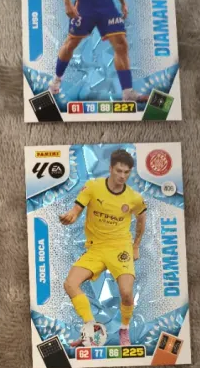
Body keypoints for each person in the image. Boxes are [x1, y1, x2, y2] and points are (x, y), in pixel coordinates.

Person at [59, 148, 147, 347]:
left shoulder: (134, 198)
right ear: (110, 169)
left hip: (120, 248)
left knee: (126, 293)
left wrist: (136, 245)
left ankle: (124, 329)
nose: (122, 176)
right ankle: (91, 328)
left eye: (126, 172)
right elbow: (77, 209)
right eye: (119, 171)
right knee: (70, 284)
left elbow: (142, 220)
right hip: (96, 248)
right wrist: (71, 216)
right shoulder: (93, 187)